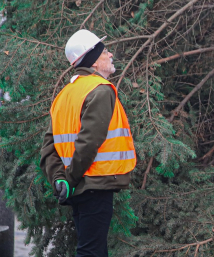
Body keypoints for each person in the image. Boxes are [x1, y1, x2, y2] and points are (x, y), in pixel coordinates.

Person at [40, 29, 137, 257]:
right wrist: (70, 180)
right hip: (95, 184)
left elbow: (48, 147)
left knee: (94, 249)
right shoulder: (100, 91)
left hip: (80, 187)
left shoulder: (64, 95)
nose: (111, 54)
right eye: (104, 52)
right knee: (91, 251)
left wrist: (60, 180)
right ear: (93, 62)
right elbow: (89, 142)